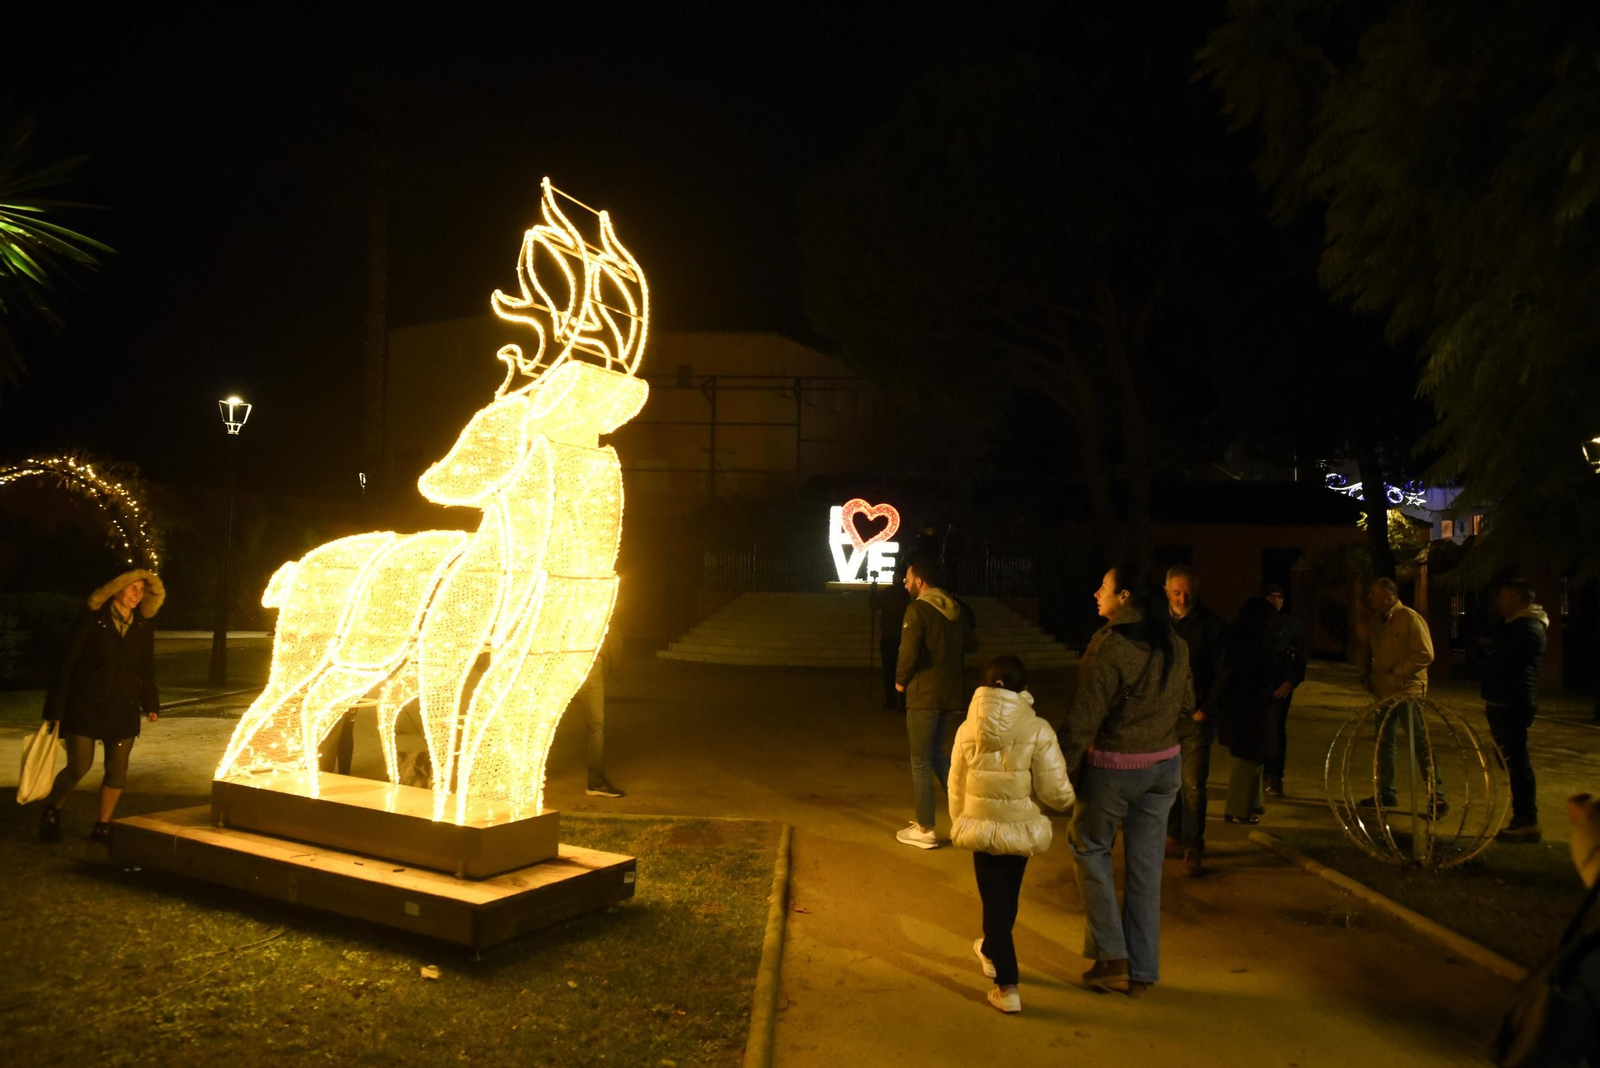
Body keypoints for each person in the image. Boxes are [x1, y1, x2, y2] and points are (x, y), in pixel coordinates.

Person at [1062, 563, 1190, 996]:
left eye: (1104, 586)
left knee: (1089, 846)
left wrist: (1060, 768)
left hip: (1114, 768)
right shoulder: (1174, 642)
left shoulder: (1110, 646)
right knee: (1145, 869)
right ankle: (1143, 969)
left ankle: (1111, 954)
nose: (1096, 592)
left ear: (1124, 597)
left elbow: (1084, 716)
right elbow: (1187, 703)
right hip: (1164, 767)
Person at [949, 655, 1075, 1015]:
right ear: (1023, 688)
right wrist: (1070, 800)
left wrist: (960, 820)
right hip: (1019, 826)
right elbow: (1054, 789)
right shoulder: (1037, 728)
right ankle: (993, 952)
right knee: (1007, 895)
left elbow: (955, 782)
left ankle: (1007, 984)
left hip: (981, 826)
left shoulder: (966, 729)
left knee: (994, 899)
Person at [38, 570, 165, 844]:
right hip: (85, 706)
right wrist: (55, 710)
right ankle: (53, 809)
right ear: (116, 589)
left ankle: (102, 825)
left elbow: (146, 668)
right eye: (131, 587)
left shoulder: (142, 625)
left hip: (124, 708)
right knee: (79, 766)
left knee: (117, 769)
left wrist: (150, 702)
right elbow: (67, 663)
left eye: (141, 589)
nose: (136, 594)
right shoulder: (93, 620)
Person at [894, 558, 978, 849]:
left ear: (920, 581)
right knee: (938, 755)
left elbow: (909, 651)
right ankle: (968, 815)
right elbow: (972, 645)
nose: (905, 584)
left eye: (907, 578)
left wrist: (900, 681)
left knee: (920, 761)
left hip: (924, 695)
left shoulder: (918, 610)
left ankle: (926, 828)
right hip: (951, 695)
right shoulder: (956, 609)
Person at [1359, 577, 1445, 814]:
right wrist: (1367, 676)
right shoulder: (1378, 622)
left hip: (1407, 691)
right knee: (1383, 743)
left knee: (1419, 742)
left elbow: (1425, 654)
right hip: (1383, 693)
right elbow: (1370, 650)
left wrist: (1397, 674)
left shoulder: (1410, 618)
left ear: (1388, 595)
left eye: (1373, 593)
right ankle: (1387, 793)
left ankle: (1436, 795)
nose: (1369, 598)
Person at [1162, 565, 1226, 877]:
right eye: (1176, 592)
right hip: (1165, 717)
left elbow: (1225, 673)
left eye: (1187, 592)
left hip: (1196, 718)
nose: (1182, 597)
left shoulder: (1212, 626)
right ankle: (1174, 834)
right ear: (1167, 591)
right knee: (1169, 781)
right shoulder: (1158, 624)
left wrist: (1206, 709)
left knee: (1193, 783)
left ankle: (1193, 845)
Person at [1482, 578, 1547, 843]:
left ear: (1518, 600)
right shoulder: (1509, 625)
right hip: (1499, 700)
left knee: (1517, 761)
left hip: (1514, 702)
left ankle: (1527, 819)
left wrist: (1491, 648)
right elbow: (1490, 647)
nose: (1499, 601)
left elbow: (1503, 655)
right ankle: (1521, 815)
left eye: (1505, 596)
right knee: (1509, 760)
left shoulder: (1530, 627)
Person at [1215, 598, 1287, 827]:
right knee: (1249, 760)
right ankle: (1238, 809)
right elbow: (1271, 671)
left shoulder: (1233, 640)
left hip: (1238, 709)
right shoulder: (1259, 645)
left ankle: (1252, 804)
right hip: (1253, 709)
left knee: (1252, 759)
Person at [1261, 583, 1307, 797]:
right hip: (1260, 684)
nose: (1276, 601)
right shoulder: (1256, 622)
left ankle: (1274, 776)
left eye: (1279, 596)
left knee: (1276, 729)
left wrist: (1291, 681)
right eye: (1271, 596)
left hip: (1281, 685)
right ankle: (1258, 774)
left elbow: (1301, 655)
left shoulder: (1292, 624)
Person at [573, 630, 624, 798]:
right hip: (584, 663)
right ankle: (596, 781)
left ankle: (596, 782)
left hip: (581, 662)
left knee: (595, 726)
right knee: (595, 726)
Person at [872, 562, 911, 711]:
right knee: (904, 670)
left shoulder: (888, 593)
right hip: (904, 637)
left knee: (889, 670)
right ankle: (903, 701)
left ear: (899, 577)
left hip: (889, 637)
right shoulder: (907, 595)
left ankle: (891, 701)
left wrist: (873, 586)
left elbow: (874, 605)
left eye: (894, 574)